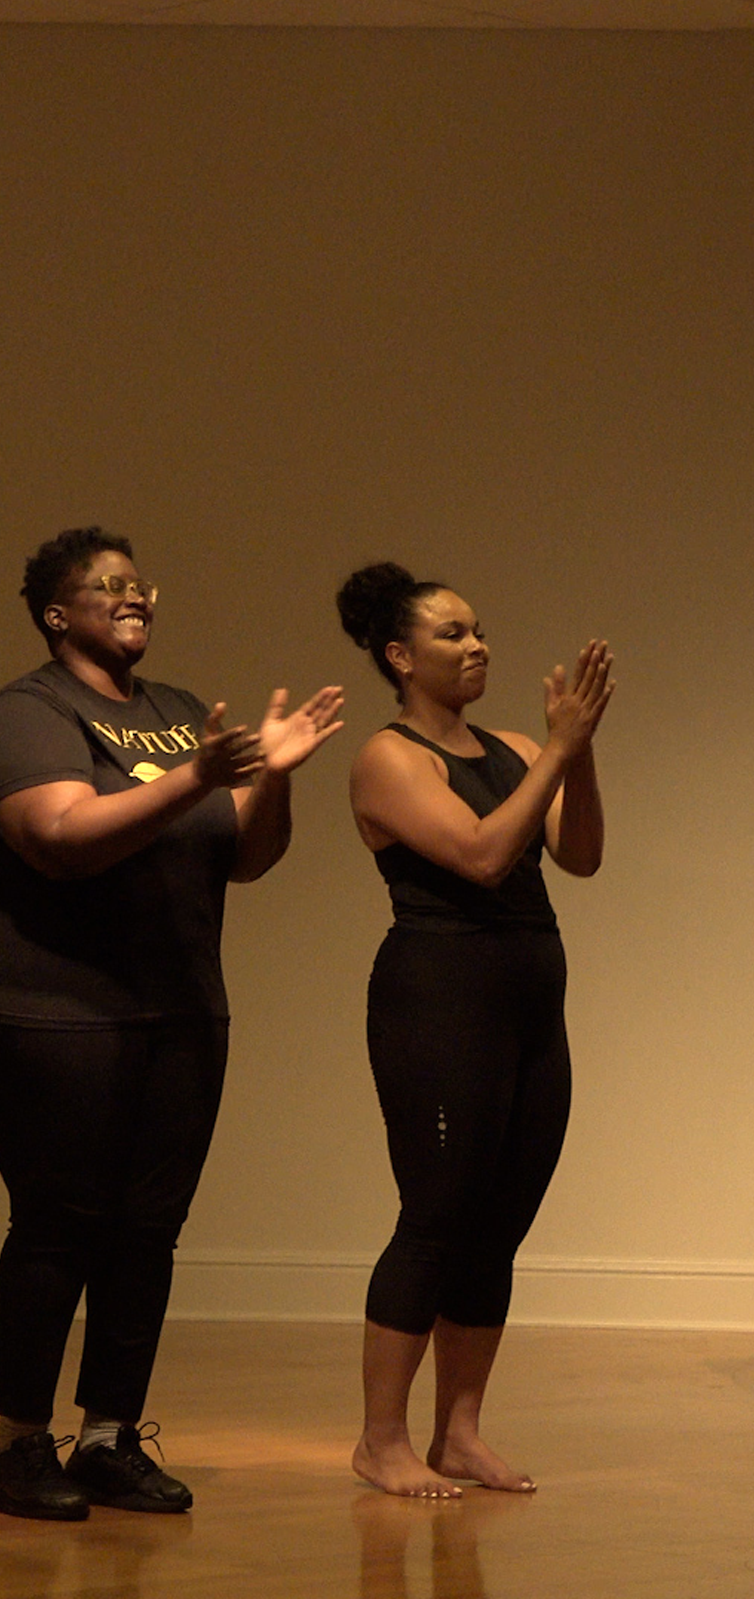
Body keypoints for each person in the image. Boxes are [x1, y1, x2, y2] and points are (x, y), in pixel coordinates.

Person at [0, 527, 344, 1521]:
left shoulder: (172, 712)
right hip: (44, 1000)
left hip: (174, 1000)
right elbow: (62, 840)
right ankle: (17, 1445)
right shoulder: (28, 713)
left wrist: (273, 775)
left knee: (148, 1225)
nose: (134, 597)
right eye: (107, 585)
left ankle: (111, 1436)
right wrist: (200, 779)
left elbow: (244, 858)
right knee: (61, 1216)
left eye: (141, 585)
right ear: (54, 612)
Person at [336, 562, 610, 1498]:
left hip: (531, 1001)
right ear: (400, 656)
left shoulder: (512, 744)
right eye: (453, 634)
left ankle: (460, 1432)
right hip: (439, 1000)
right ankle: (382, 1440)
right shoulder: (389, 757)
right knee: (438, 1214)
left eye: (480, 628)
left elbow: (580, 855)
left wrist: (575, 751)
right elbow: (487, 854)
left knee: (500, 1222)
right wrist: (554, 753)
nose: (477, 644)